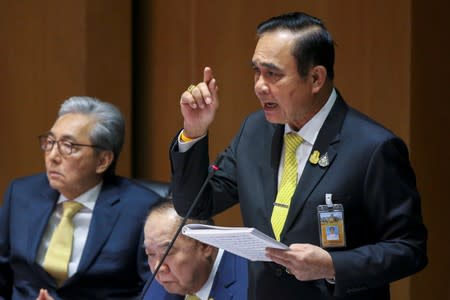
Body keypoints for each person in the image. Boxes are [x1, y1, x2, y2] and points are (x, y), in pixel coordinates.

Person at [168, 12, 427, 300]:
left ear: (315, 78)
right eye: (256, 71)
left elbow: (409, 248)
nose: (259, 85)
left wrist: (333, 266)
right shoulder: (254, 131)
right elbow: (195, 204)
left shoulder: (373, 147)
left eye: (273, 74)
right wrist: (194, 131)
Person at [0, 96, 161, 299]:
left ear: (103, 160)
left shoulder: (141, 209)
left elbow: (153, 292)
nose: (52, 156)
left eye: (68, 146)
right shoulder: (22, 194)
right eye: (50, 142)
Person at [142, 199, 248, 300]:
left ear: (205, 245)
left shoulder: (251, 288)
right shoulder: (166, 280)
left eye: (166, 253)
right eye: (150, 254)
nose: (157, 268)